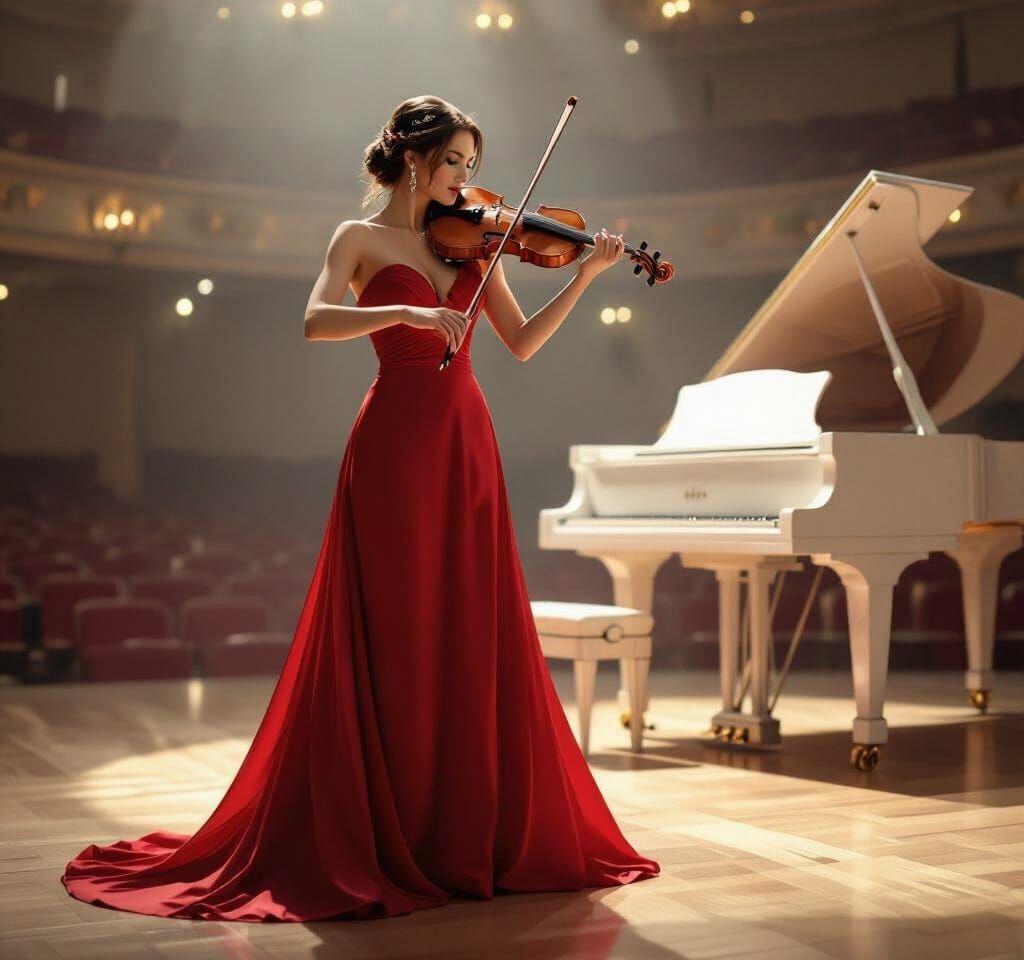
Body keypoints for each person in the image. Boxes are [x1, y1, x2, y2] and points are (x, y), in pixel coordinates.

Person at [61, 95, 660, 922]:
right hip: (394, 442)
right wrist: (407, 309)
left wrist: (588, 275)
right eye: (455, 164)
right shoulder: (360, 239)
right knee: (396, 622)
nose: (469, 185)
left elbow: (520, 345)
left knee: (465, 621)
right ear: (416, 160)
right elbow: (314, 321)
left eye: (472, 170)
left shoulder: (480, 243)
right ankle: (385, 823)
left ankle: (460, 829)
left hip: (465, 444)